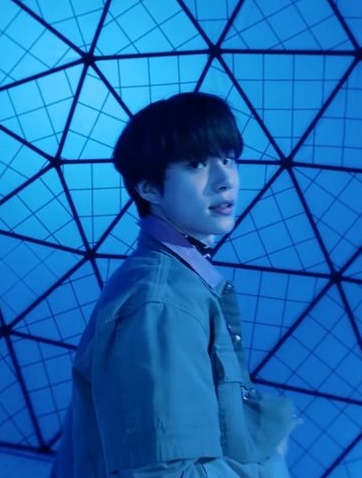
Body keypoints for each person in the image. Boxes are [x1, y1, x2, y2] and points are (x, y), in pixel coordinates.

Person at [50, 92, 297, 477]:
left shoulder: (181, 285)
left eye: (228, 159)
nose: (225, 180)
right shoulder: (161, 301)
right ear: (148, 188)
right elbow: (166, 472)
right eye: (196, 164)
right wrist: (270, 468)